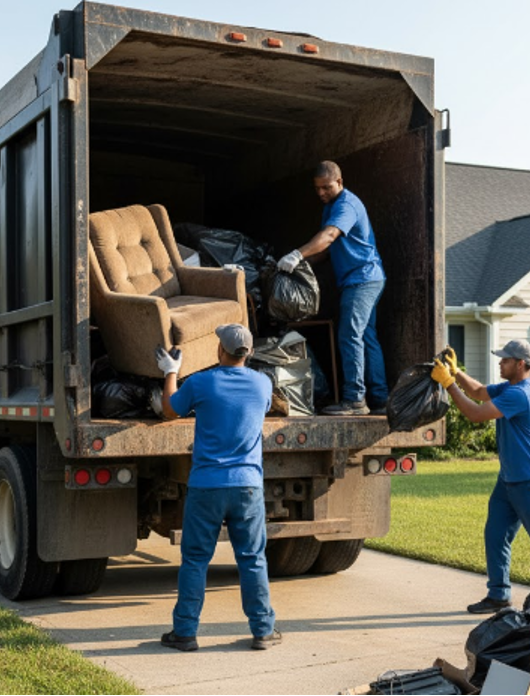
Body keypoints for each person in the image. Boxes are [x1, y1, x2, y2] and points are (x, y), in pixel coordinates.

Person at [156, 324, 282, 651]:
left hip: (207, 486)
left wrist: (171, 372)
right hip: (248, 487)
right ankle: (263, 631)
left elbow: (169, 409)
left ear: (219, 351)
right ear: (249, 353)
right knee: (252, 558)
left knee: (196, 560)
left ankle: (184, 633)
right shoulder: (262, 384)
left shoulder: (201, 383)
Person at [430, 339, 530, 614]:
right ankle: (498, 595)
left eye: (505, 360)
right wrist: (456, 371)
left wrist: (448, 383)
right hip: (509, 479)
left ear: (520, 364)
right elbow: (480, 392)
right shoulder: (510, 387)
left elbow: (474, 413)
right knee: (496, 534)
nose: (500, 363)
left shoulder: (521, 394)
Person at [276, 161, 388, 416]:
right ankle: (380, 399)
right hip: (365, 279)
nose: (322, 193)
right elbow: (326, 251)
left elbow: (328, 237)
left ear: (340, 181)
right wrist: (299, 265)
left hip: (362, 280)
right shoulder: (331, 208)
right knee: (366, 337)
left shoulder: (346, 205)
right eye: (317, 189)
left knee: (349, 335)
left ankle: (355, 399)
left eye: (326, 187)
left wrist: (296, 254)